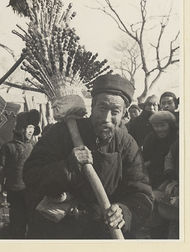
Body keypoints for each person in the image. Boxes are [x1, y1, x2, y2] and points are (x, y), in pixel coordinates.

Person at [23, 74, 154, 239]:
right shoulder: (61, 133)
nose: (106, 118)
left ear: (123, 113)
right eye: (102, 108)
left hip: (101, 235)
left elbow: (143, 195)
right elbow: (30, 176)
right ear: (92, 106)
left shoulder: (126, 144)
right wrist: (69, 165)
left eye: (115, 111)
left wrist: (124, 212)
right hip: (57, 233)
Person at [0, 109, 40, 239]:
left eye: (33, 127)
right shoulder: (8, 147)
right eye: (28, 127)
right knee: (17, 227)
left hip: (32, 192)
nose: (30, 130)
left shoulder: (36, 146)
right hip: (15, 193)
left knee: (34, 226)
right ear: (20, 128)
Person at [142, 111, 178, 239]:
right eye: (156, 126)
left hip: (171, 182)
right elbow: (145, 158)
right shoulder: (150, 138)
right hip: (152, 179)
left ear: (170, 125)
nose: (159, 129)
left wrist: (166, 182)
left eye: (163, 125)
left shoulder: (177, 138)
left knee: (171, 217)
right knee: (156, 220)